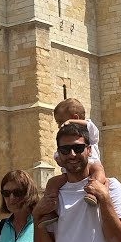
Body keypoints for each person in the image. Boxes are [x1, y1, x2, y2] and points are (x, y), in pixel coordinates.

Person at [38, 98, 107, 231]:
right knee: (52, 183)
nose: (59, 126)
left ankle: (93, 193)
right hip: (70, 172)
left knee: (99, 171)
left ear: (74, 117)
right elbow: (58, 156)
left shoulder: (89, 129)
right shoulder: (63, 136)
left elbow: (89, 126)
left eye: (60, 122)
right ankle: (50, 210)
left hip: (91, 165)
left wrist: (71, 122)